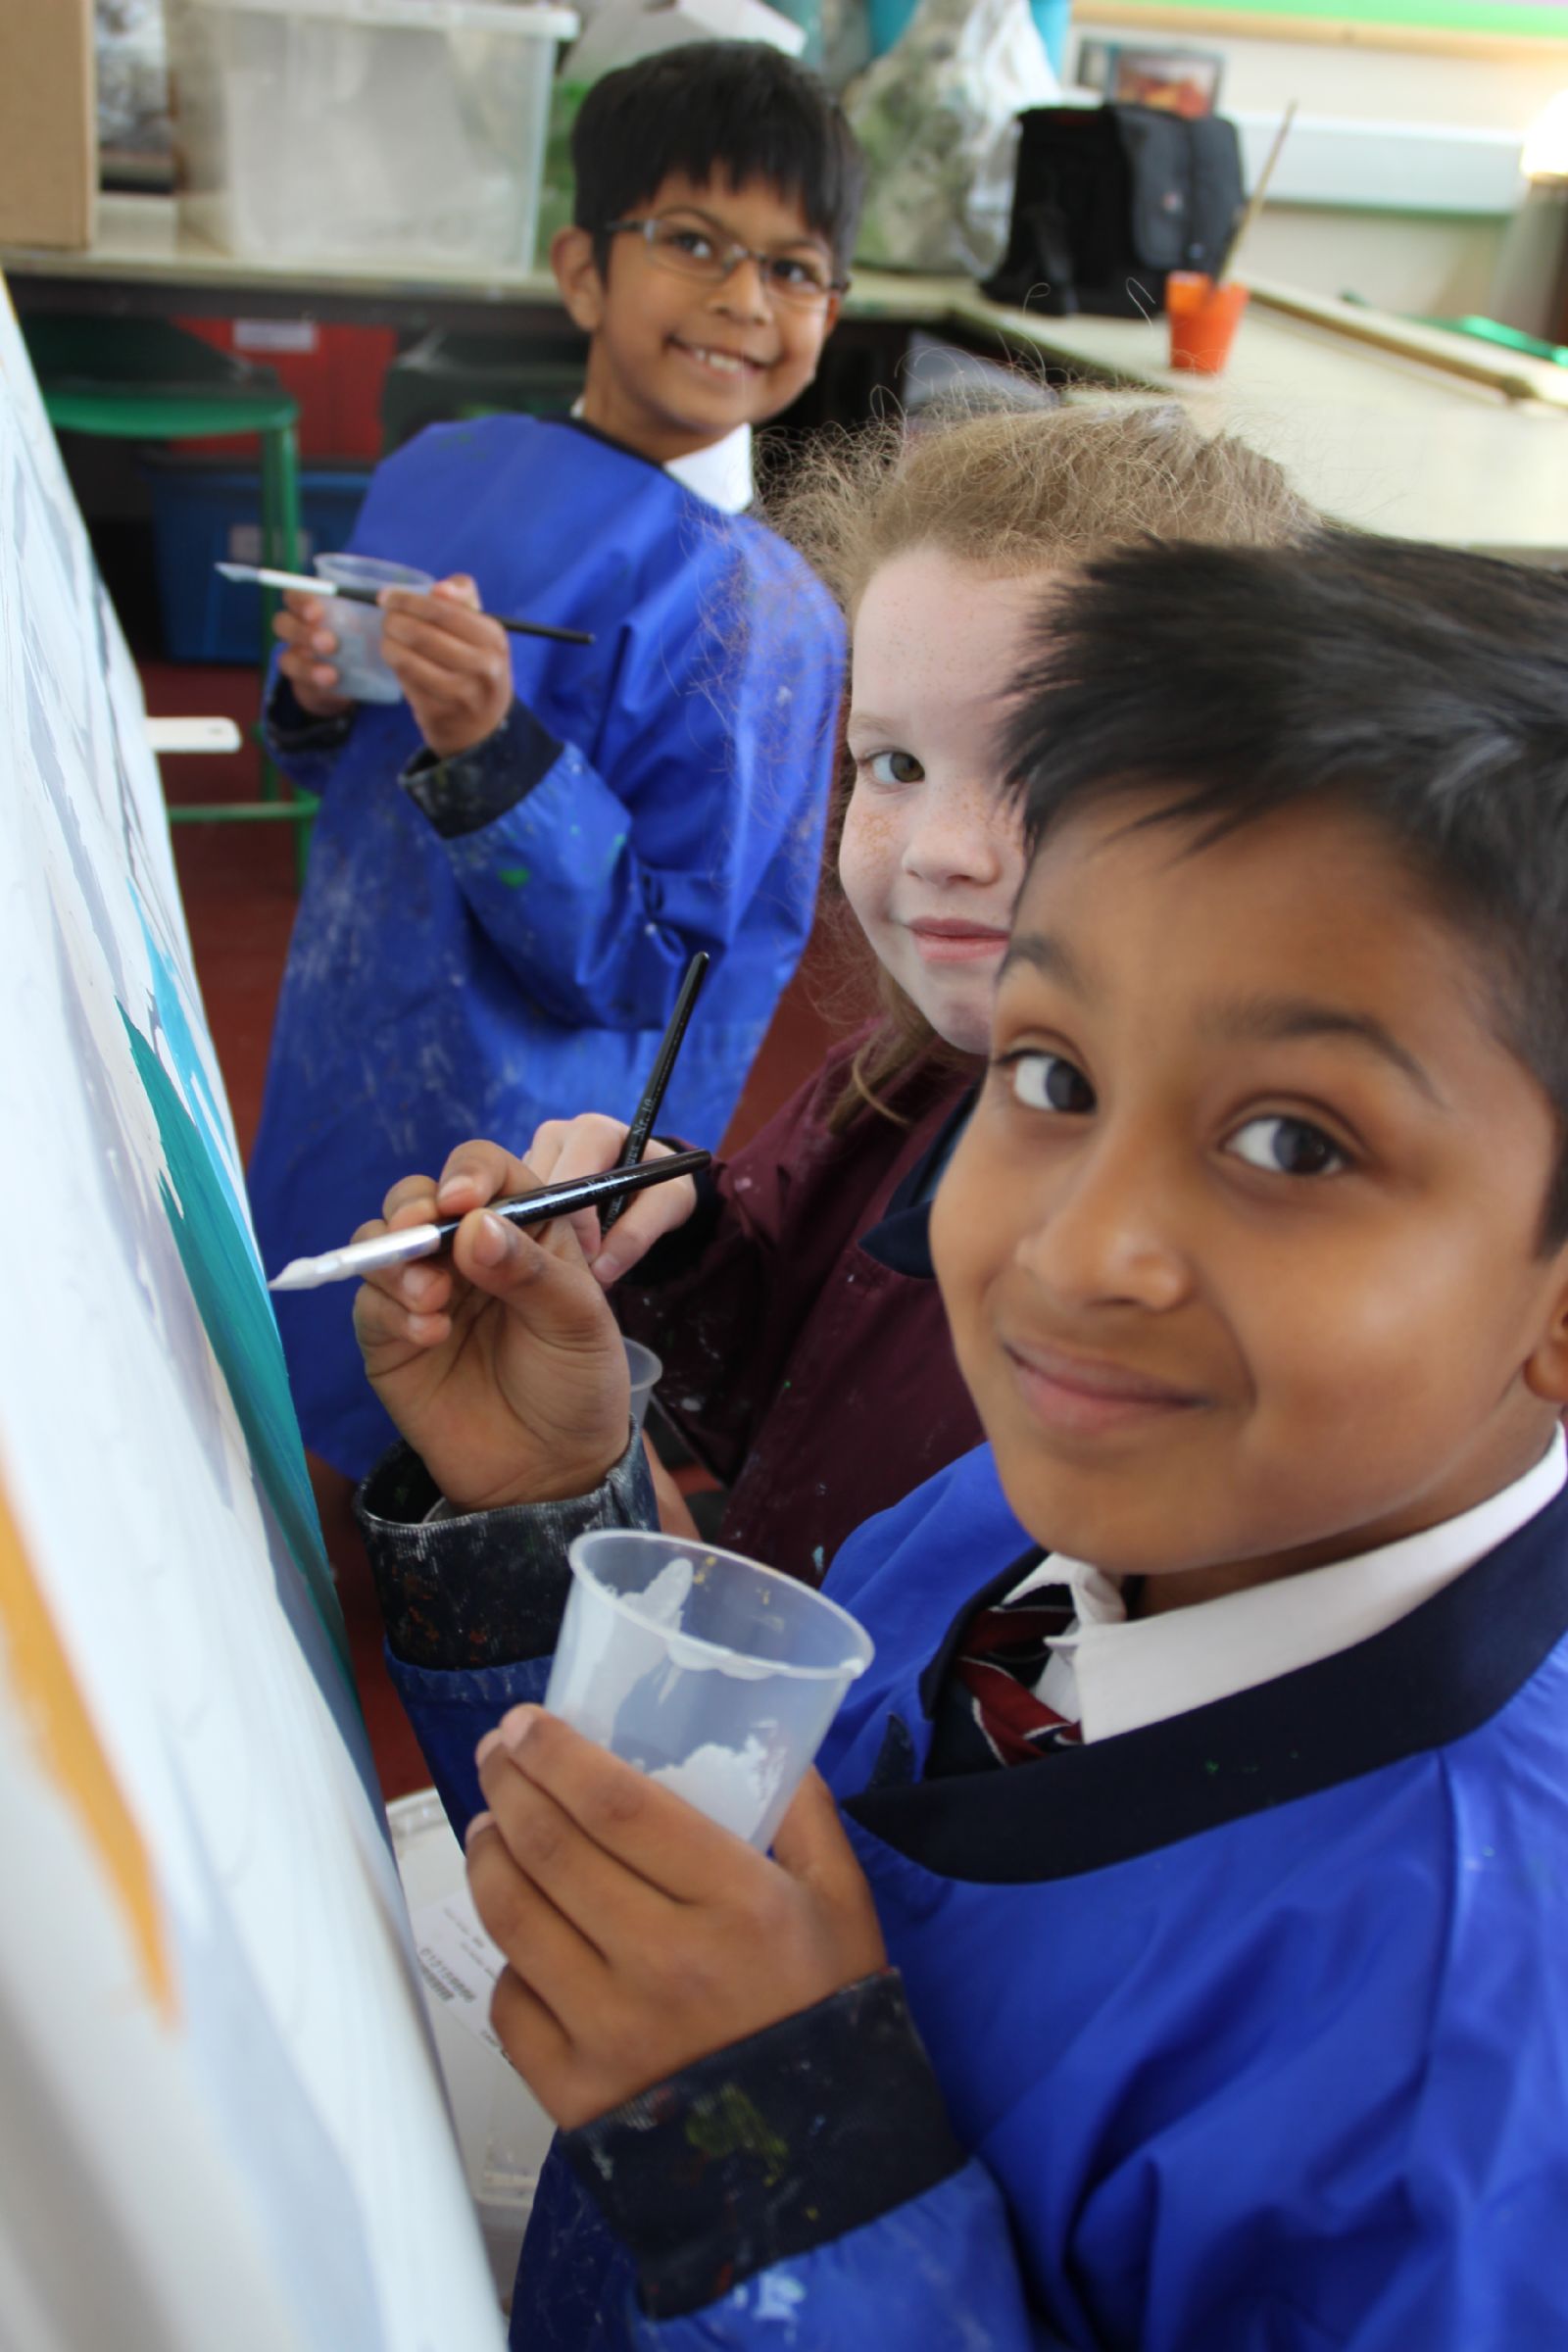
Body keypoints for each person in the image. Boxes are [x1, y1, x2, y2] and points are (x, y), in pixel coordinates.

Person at [353, 533, 1568, 2349]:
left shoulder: (1472, 2091)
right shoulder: (1013, 1513)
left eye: (1296, 1145)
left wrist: (782, 2154)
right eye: (1055, 1074)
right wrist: (545, 1513)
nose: (1075, 1254)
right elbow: (716, 1879)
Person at [445, 403, 1311, 1582]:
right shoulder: (898, 1080)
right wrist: (665, 1247)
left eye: (1048, 768)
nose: (941, 847)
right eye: (893, 764)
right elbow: (793, 1380)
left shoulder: (1236, 1285)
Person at [245, 42, 864, 1478]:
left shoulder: (761, 616)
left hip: (518, 1123)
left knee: (439, 1419)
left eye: (794, 268)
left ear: (833, 310)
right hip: (348, 1035)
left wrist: (491, 748)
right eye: (695, 243)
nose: (740, 300)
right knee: (285, 1358)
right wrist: (325, 691)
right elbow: (344, 788)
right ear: (584, 269)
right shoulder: (445, 468)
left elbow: (660, 967)